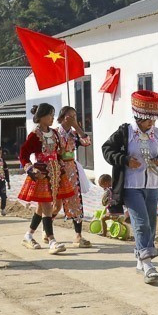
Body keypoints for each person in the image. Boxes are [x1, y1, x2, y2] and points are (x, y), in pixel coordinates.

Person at [101, 91, 158, 284]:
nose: (152, 123)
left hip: (153, 185)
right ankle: (148, 264)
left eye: (154, 120)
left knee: (151, 223)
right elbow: (107, 150)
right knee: (141, 223)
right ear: (140, 117)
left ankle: (140, 256)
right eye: (149, 120)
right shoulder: (125, 132)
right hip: (131, 185)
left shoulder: (157, 134)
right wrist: (124, 160)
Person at [18, 103, 75, 255]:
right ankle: (52, 240)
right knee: (47, 207)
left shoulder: (54, 133)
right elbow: (23, 154)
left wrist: (62, 154)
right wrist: (30, 168)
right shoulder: (35, 135)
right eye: (50, 115)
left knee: (41, 208)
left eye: (53, 114)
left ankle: (28, 235)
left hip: (56, 173)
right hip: (42, 174)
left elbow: (59, 151)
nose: (52, 118)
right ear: (41, 117)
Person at [55, 106, 92, 248]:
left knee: (76, 201)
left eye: (75, 116)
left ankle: (78, 235)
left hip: (71, 169)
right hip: (58, 169)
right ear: (63, 117)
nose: (72, 118)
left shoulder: (75, 133)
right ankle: (47, 230)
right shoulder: (55, 133)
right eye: (70, 116)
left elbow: (87, 142)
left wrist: (77, 126)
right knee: (55, 203)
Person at [96, 173, 129, 237]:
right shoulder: (117, 189)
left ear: (106, 183)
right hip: (121, 211)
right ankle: (125, 233)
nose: (102, 187)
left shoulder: (108, 191)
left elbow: (104, 201)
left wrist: (105, 202)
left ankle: (104, 233)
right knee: (119, 222)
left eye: (102, 185)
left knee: (103, 219)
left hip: (113, 212)